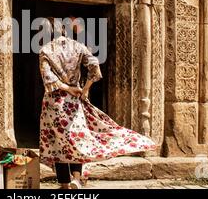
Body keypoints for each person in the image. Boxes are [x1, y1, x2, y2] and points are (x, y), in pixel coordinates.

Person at [38, 17, 156, 189]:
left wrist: (67, 88)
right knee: (78, 140)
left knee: (58, 144)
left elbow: (48, 79)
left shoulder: (46, 50)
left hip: (54, 103)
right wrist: (84, 89)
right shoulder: (79, 47)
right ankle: (76, 179)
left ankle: (64, 184)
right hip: (74, 103)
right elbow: (94, 67)